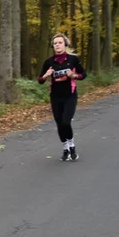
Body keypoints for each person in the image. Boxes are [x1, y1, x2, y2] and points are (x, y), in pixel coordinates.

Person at [38, 34, 86, 162]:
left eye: (60, 42)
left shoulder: (73, 59)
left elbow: (83, 74)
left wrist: (74, 76)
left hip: (70, 95)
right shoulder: (49, 62)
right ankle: (65, 149)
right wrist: (46, 75)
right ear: (53, 46)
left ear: (65, 44)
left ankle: (72, 146)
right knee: (59, 124)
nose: (57, 45)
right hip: (55, 97)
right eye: (55, 43)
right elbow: (40, 80)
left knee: (66, 121)